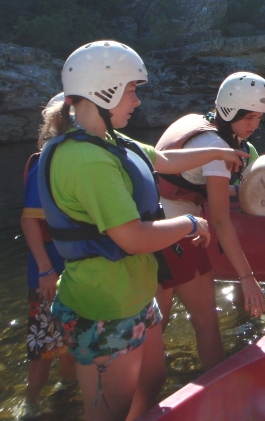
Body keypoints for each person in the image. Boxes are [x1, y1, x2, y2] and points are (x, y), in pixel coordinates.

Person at [39, 40, 247, 421]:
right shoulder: (87, 161)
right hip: (105, 306)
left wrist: (218, 152)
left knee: (152, 380)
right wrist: (189, 223)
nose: (137, 101)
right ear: (104, 90)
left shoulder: (110, 141)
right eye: (131, 90)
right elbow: (132, 237)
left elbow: (163, 159)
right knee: (111, 411)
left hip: (134, 296)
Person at [154, 72, 265, 371]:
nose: (254, 125)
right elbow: (219, 220)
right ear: (230, 111)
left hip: (149, 227)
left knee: (155, 326)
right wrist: (247, 278)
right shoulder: (216, 150)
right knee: (206, 320)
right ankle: (217, 384)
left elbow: (189, 180)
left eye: (259, 118)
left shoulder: (195, 122)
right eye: (249, 117)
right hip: (177, 232)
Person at [17, 94, 77, 420]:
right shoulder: (47, 160)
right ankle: (30, 402)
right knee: (43, 346)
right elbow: (29, 220)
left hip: (68, 267)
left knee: (68, 338)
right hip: (49, 268)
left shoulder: (69, 157)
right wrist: (44, 269)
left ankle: (67, 392)